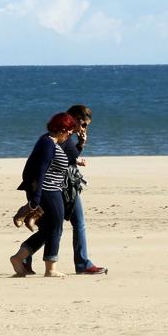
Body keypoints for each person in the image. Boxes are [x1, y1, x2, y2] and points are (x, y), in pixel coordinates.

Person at [9, 112, 79, 278]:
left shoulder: (48, 142)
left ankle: (18, 258)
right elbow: (38, 172)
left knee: (47, 230)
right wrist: (35, 199)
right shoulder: (47, 143)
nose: (70, 134)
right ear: (62, 129)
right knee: (55, 228)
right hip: (49, 192)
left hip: (50, 191)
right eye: (69, 130)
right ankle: (50, 268)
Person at [63, 104, 107, 275]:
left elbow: (69, 156)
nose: (84, 128)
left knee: (51, 227)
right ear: (77, 120)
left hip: (61, 184)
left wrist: (80, 144)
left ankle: (25, 256)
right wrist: (80, 147)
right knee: (77, 223)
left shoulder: (63, 133)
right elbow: (63, 158)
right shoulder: (63, 134)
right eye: (84, 124)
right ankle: (82, 263)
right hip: (64, 185)